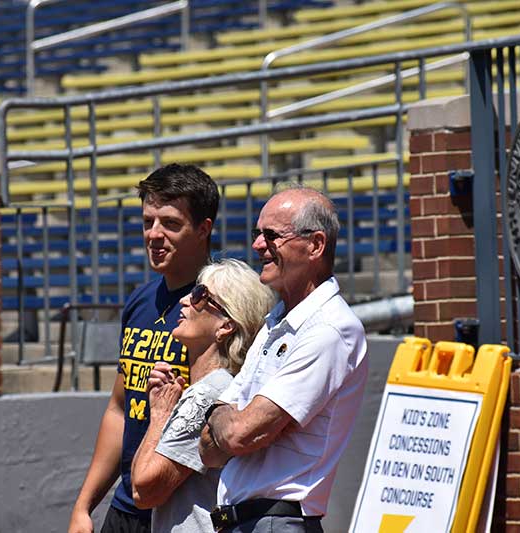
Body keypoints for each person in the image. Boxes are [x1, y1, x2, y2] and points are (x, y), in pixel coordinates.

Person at [199, 185, 368, 533]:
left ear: (315, 245)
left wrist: (230, 420)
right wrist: (224, 416)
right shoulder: (277, 320)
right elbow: (208, 450)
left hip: (276, 521)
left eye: (272, 235)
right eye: (257, 233)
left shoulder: (329, 330)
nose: (258, 245)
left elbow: (236, 437)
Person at [68, 163, 219, 533]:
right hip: (126, 507)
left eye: (169, 223)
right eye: (148, 221)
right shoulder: (140, 300)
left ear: (203, 230)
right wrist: (84, 507)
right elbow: (121, 409)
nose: (154, 234)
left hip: (182, 513)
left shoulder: (219, 305)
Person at [130, 259, 275, 533]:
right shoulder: (215, 387)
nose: (185, 300)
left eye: (200, 296)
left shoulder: (210, 393)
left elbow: (144, 490)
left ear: (225, 327)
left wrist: (160, 415)